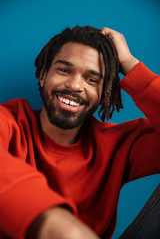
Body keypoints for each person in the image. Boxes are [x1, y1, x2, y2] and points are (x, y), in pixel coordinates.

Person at [0, 25, 159, 239]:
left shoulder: (119, 145)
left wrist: (130, 65)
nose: (74, 85)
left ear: (105, 93)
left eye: (92, 80)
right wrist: (58, 227)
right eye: (64, 70)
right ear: (43, 76)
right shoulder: (8, 122)